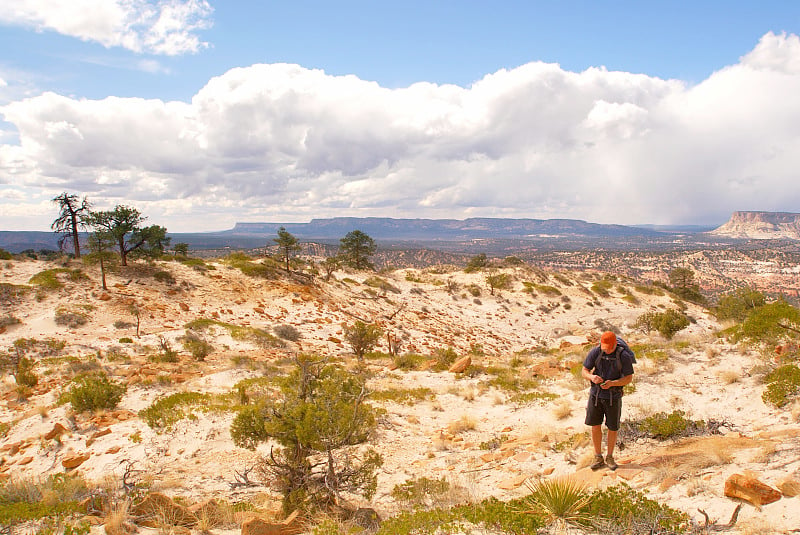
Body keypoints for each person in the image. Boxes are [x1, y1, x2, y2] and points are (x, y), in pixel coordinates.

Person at [581, 331, 635, 471]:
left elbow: (628, 378)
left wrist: (614, 383)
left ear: (615, 344)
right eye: (604, 347)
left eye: (609, 348)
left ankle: (610, 457)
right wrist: (592, 378)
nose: (606, 350)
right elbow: (584, 371)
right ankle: (598, 456)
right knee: (595, 425)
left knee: (612, 427)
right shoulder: (596, 352)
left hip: (613, 397)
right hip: (596, 395)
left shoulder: (622, 355)